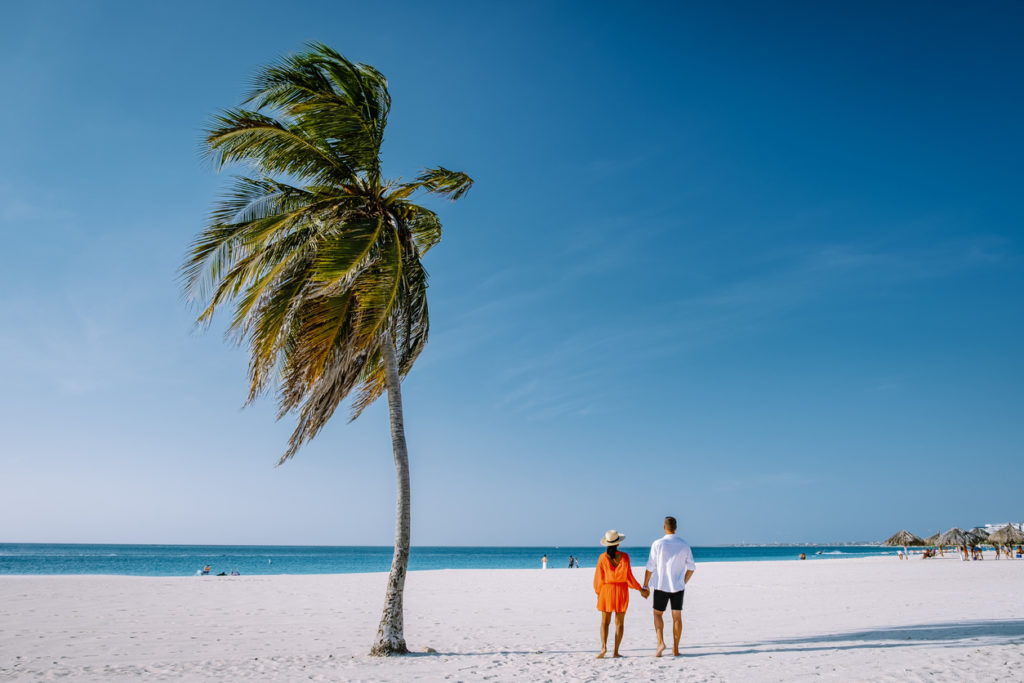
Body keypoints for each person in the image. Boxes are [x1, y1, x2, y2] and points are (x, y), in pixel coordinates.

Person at [643, 516, 696, 658]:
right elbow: (691, 567)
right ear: (676, 528)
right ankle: (675, 649)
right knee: (677, 617)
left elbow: (650, 566)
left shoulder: (657, 544)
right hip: (677, 586)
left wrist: (645, 584)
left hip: (661, 584)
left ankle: (660, 643)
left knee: (657, 614)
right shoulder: (684, 544)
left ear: (664, 527)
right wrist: (683, 581)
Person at [593, 530, 647, 658]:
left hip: (606, 590)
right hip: (621, 591)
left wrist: (598, 592)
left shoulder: (602, 557)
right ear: (618, 544)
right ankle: (616, 651)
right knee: (620, 623)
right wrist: (640, 589)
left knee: (604, 622)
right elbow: (629, 577)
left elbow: (598, 578)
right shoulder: (625, 556)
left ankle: (603, 648)